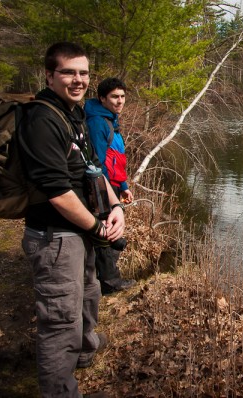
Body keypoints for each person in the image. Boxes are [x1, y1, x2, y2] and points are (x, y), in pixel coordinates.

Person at [18, 42, 125, 398]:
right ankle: (61, 391)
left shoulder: (73, 113)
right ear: (50, 75)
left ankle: (85, 348)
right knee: (59, 320)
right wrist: (96, 227)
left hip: (80, 231)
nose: (77, 80)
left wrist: (115, 208)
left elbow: (94, 169)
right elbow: (57, 191)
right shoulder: (41, 119)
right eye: (68, 72)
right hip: (55, 237)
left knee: (89, 293)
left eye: (83, 73)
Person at [84, 77, 136, 295]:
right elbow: (96, 162)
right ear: (102, 98)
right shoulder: (97, 122)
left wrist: (123, 185)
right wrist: (105, 194)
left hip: (113, 184)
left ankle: (101, 276)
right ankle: (109, 283)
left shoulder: (109, 118)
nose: (120, 101)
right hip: (101, 187)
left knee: (110, 230)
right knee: (109, 232)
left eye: (122, 96)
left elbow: (114, 159)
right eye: (114, 97)